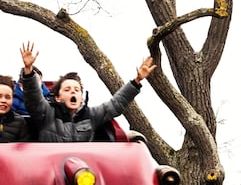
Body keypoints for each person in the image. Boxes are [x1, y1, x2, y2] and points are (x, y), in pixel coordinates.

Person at [19, 41, 156, 142]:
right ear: (58, 98)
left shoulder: (91, 115)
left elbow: (115, 105)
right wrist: (28, 71)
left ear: (81, 98)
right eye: (67, 90)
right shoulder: (47, 114)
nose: (73, 92)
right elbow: (33, 98)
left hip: (84, 173)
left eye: (76, 90)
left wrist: (137, 80)